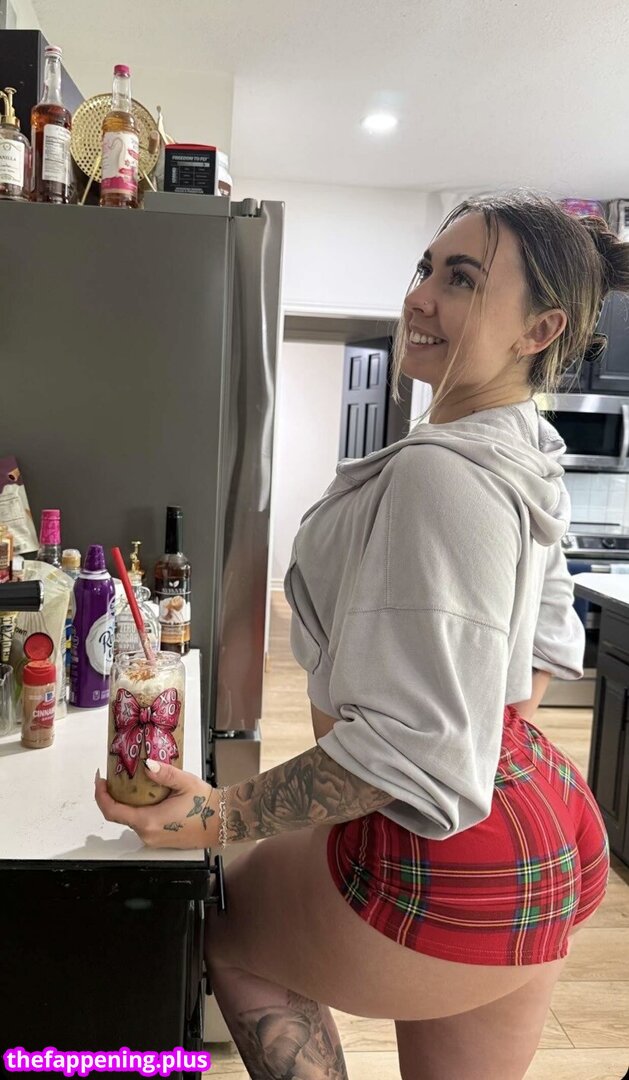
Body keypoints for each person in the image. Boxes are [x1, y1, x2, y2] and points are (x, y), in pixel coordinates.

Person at [96, 190, 614, 1080]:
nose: (418, 296)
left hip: (444, 843)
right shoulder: (524, 447)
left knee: (232, 934)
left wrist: (212, 818)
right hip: (543, 819)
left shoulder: (441, 475)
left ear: (538, 331)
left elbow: (408, 753)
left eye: (461, 279)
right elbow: (532, 671)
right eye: (425, 269)